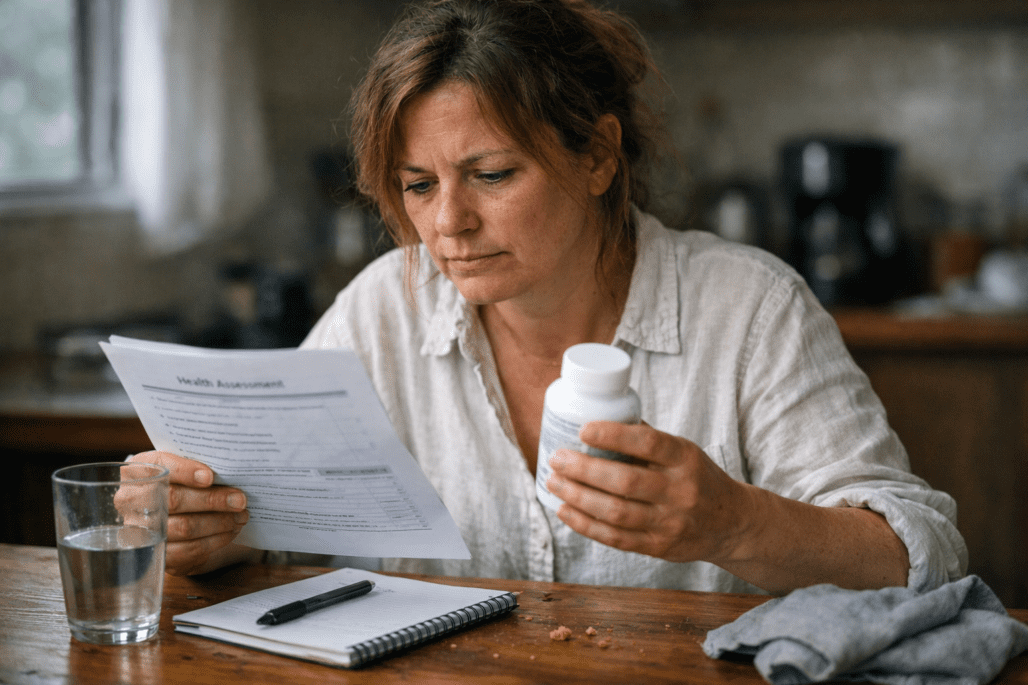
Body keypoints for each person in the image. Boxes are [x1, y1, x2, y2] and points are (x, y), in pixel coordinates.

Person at [130, 0, 967, 595]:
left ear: (598, 156)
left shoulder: (749, 311)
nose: (447, 222)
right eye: (417, 184)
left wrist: (734, 523)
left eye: (492, 174)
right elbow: (273, 537)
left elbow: (919, 554)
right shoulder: (383, 308)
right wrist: (205, 533)